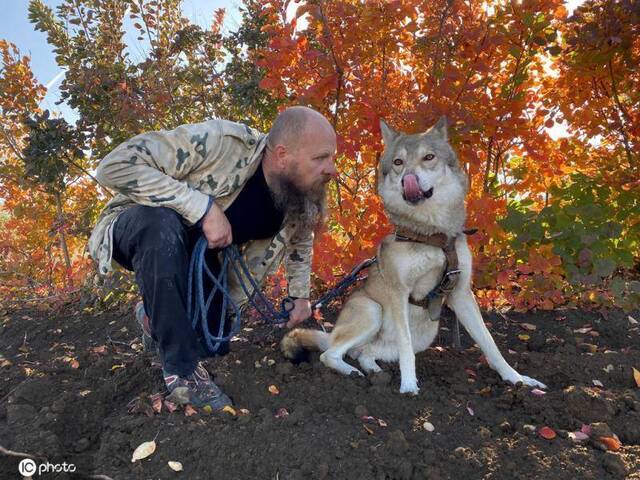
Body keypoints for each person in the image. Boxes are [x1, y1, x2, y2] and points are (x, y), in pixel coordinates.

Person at [88, 106, 337, 410]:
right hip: (139, 226)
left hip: (202, 259)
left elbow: (301, 235)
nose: (332, 169)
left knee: (212, 346)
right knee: (162, 224)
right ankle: (182, 371)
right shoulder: (220, 142)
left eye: (331, 158)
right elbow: (113, 167)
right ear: (283, 154)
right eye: (320, 158)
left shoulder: (296, 189)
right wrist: (203, 208)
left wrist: (299, 295)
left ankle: (152, 317)